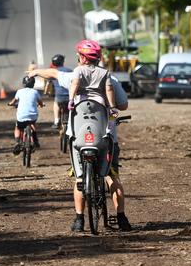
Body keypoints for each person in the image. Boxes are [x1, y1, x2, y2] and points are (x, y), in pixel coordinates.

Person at [28, 42, 132, 232]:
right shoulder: (110, 77)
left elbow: (53, 73)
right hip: (106, 137)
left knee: (79, 177)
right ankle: (122, 218)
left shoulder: (74, 75)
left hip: (78, 137)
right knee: (112, 176)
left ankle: (79, 219)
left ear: (82, 58)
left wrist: (34, 72)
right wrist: (111, 108)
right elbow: (123, 106)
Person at [7, 76, 44, 155]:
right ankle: (35, 140)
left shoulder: (19, 91)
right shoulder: (35, 92)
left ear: (23, 83)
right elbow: (40, 102)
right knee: (32, 124)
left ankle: (17, 142)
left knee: (18, 127)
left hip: (21, 116)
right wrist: (41, 105)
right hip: (32, 115)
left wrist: (10, 104)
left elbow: (14, 101)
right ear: (33, 84)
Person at [49, 54, 72, 128]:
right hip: (69, 96)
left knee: (56, 104)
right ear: (62, 62)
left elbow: (49, 85)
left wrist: (48, 93)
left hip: (59, 96)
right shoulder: (69, 70)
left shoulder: (53, 72)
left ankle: (56, 121)